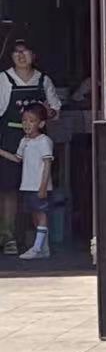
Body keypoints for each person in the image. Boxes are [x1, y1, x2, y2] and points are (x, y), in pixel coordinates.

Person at [0, 39, 61, 256]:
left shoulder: (43, 80)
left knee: (36, 190)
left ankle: (38, 241)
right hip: (10, 137)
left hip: (37, 142)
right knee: (8, 189)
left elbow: (55, 109)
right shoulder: (4, 79)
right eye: (16, 52)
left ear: (33, 55)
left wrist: (48, 112)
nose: (20, 55)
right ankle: (8, 237)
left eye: (24, 51)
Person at [0, 105, 54, 260]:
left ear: (41, 124)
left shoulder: (44, 141)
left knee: (41, 214)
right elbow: (17, 159)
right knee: (35, 215)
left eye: (32, 121)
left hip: (39, 185)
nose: (27, 124)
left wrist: (43, 186)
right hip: (28, 185)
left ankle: (37, 248)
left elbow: (47, 164)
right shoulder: (24, 141)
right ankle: (43, 247)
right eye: (24, 120)